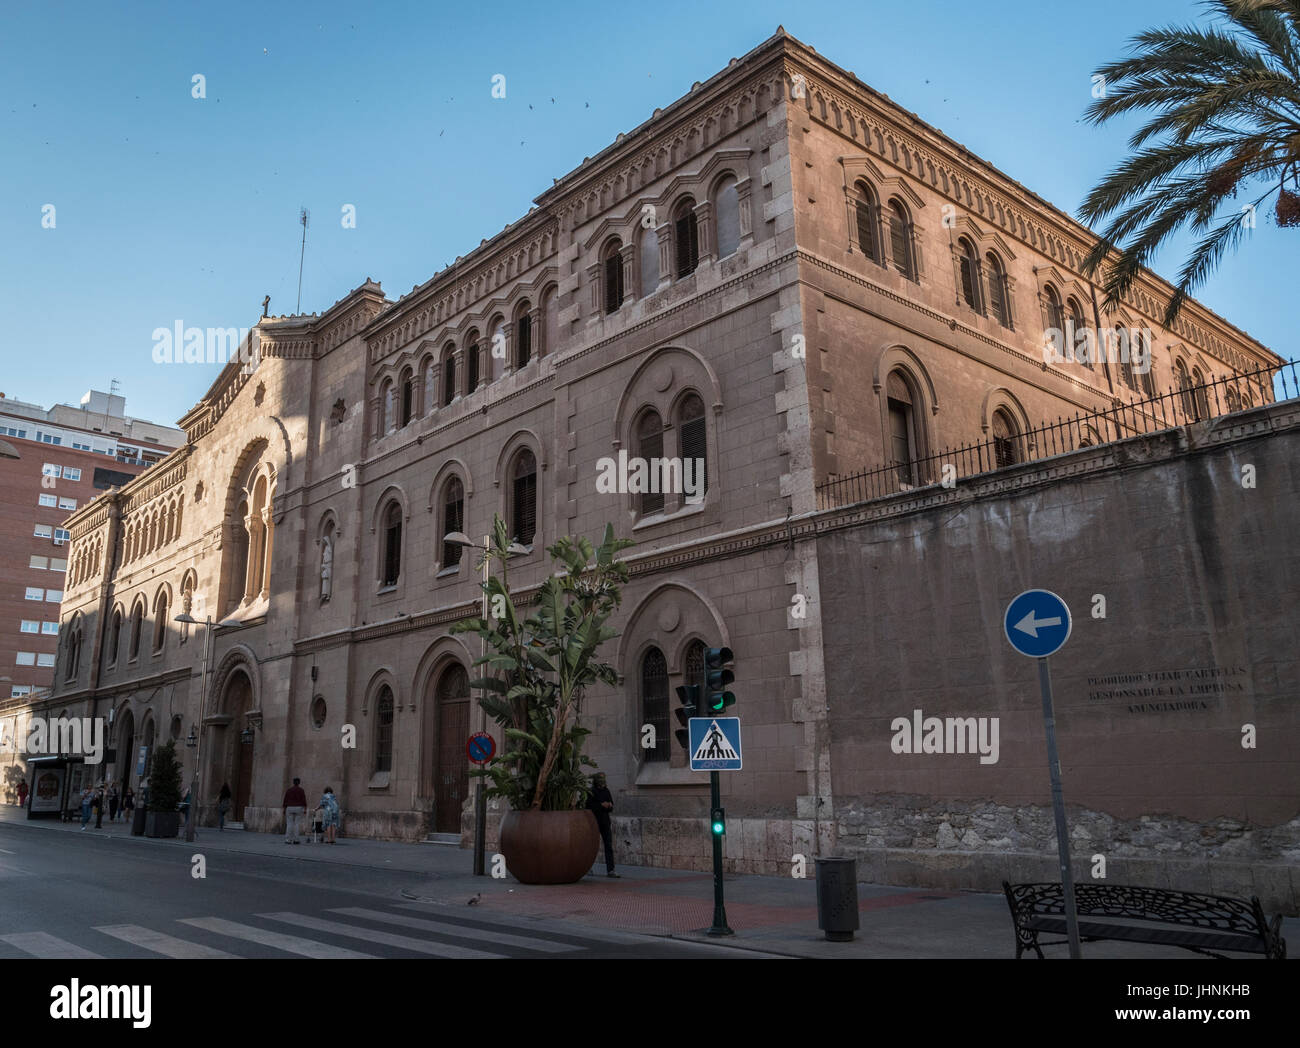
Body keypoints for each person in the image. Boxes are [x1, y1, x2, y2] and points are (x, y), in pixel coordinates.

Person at [586, 772, 619, 878]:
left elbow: (611, 806)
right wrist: (601, 805)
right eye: (600, 781)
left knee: (608, 845)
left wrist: (609, 805)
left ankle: (611, 870)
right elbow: (588, 806)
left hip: (605, 822)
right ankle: (587, 868)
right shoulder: (591, 791)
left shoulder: (606, 791)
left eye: (603, 781)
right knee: (591, 846)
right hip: (595, 822)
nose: (602, 784)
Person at [283, 777, 307, 844]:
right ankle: (296, 839)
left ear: (293, 782)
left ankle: (287, 839)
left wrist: (284, 809)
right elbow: (303, 800)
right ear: (299, 783)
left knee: (289, 824)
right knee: (297, 824)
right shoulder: (301, 790)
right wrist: (305, 808)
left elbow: (285, 800)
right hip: (298, 808)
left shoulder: (289, 790)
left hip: (289, 807)